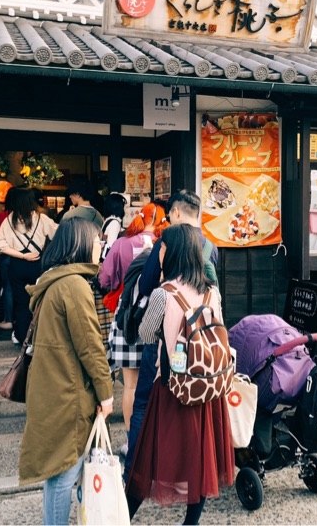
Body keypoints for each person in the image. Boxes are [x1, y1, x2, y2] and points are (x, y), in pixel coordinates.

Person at [126, 223, 233, 525]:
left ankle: (122, 517)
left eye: (161, 246)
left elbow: (147, 334)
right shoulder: (212, 292)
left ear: (170, 252)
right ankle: (191, 522)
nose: (158, 250)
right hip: (207, 387)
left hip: (173, 388)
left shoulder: (164, 293)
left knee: (148, 456)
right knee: (199, 459)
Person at [19, 217, 113, 525]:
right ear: (82, 245)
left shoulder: (54, 279)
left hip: (52, 387)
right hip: (68, 391)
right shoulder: (74, 285)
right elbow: (91, 346)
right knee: (66, 470)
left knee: (61, 469)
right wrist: (106, 392)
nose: (101, 246)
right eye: (98, 241)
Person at [124, 189, 219, 482]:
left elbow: (150, 281)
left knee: (145, 403)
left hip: (166, 340)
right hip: (199, 346)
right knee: (190, 409)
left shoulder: (166, 240)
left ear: (175, 213)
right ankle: (185, 471)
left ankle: (136, 469)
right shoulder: (211, 247)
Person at [98, 202, 167, 457]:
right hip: (156, 317)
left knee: (129, 385)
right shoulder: (165, 247)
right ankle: (152, 438)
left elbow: (105, 279)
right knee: (155, 384)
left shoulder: (121, 244)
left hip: (127, 320)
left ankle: (131, 439)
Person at [0, 187, 58, 345]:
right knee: (38, 304)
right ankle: (38, 338)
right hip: (37, 265)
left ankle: (23, 337)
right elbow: (57, 235)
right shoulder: (41, 219)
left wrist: (22, 255)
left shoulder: (9, 220)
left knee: (22, 304)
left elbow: (0, 246)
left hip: (17, 266)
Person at [0, 186, 16, 332]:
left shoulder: (4, 215)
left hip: (6, 255)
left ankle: (8, 319)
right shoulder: (26, 215)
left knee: (7, 287)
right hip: (22, 255)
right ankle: (21, 317)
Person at [101, 192, 127, 261]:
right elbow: (110, 247)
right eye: (124, 206)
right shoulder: (114, 223)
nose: (126, 209)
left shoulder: (108, 220)